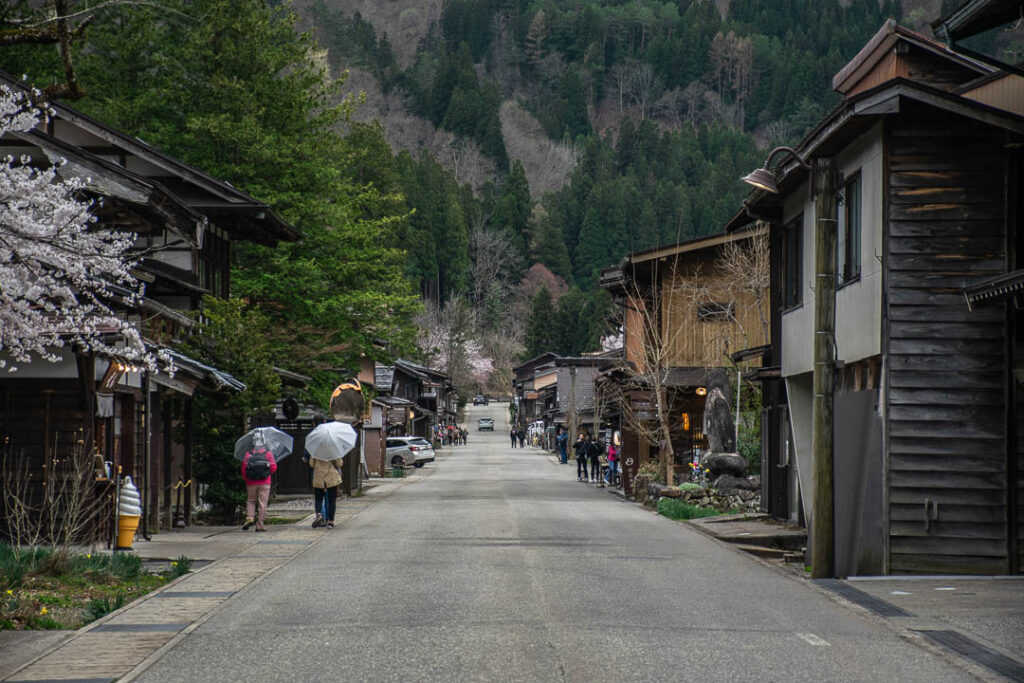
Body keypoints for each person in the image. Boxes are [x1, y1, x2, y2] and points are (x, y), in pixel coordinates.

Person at [241, 432, 277, 532]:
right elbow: (274, 468)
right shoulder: (268, 454)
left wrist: (246, 478)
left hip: (251, 482)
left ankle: (250, 517)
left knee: (251, 500)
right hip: (265, 482)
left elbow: (244, 468)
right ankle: (260, 524)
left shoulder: (248, 454)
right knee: (262, 503)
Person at [308, 453, 342, 529]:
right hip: (331, 478)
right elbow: (339, 464)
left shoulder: (315, 450)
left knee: (318, 499)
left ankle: (319, 515)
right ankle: (331, 522)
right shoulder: (333, 450)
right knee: (331, 500)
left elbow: (312, 464)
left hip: (319, 477)